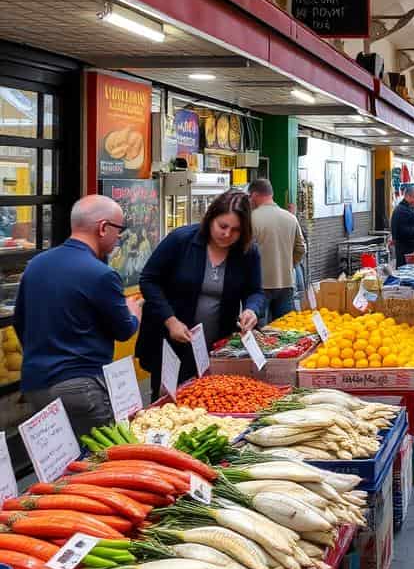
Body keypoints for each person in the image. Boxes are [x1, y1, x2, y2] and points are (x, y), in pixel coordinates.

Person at [14, 195, 140, 437]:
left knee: (61, 459)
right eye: (119, 229)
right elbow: (124, 330)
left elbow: (21, 322)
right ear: (103, 228)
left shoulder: (36, 264)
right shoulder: (102, 274)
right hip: (81, 386)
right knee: (103, 459)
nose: (119, 237)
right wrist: (133, 313)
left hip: (35, 384)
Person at [137, 191, 264, 400]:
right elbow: (149, 280)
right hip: (172, 344)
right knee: (168, 402)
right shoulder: (181, 241)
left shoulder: (247, 253)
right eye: (222, 226)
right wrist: (170, 321)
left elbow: (255, 291)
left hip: (216, 347)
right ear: (210, 218)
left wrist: (252, 309)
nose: (227, 234)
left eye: (236, 230)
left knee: (211, 400)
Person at [248, 178, 306, 324]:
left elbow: (245, 252)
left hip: (259, 286)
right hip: (286, 283)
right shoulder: (290, 218)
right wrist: (288, 265)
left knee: (261, 335)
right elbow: (301, 248)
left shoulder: (250, 219)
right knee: (285, 331)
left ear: (254, 195)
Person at [390, 184, 414, 266]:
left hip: (411, 252)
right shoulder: (401, 211)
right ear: (407, 196)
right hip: (406, 254)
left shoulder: (410, 208)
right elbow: (404, 232)